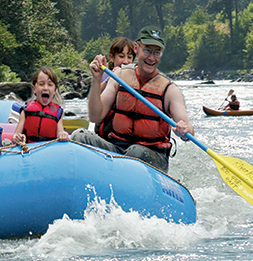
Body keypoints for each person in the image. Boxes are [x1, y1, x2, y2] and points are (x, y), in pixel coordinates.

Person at [72, 26, 194, 174]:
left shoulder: (169, 90)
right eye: (147, 50)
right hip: (117, 149)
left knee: (136, 152)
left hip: (152, 156)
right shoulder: (119, 76)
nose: (151, 58)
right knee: (79, 136)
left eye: (157, 53)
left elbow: (188, 129)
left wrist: (184, 131)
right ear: (136, 48)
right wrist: (96, 80)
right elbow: (95, 116)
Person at [13, 67, 69, 144]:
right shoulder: (26, 110)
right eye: (41, 84)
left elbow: (60, 133)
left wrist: (63, 135)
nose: (45, 88)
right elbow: (16, 134)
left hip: (48, 149)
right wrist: (16, 137)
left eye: (50, 85)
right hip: (29, 149)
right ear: (34, 89)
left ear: (54, 90)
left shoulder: (58, 112)